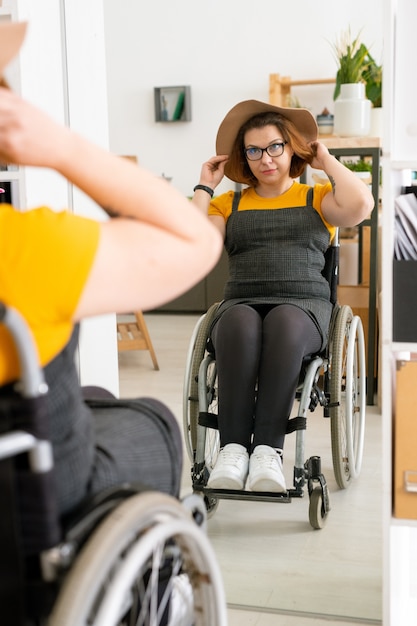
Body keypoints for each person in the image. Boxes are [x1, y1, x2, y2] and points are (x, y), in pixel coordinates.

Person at [0, 22, 223, 515]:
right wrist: (60, 146)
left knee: (97, 395)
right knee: (154, 422)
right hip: (30, 509)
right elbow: (194, 240)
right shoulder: (21, 247)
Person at [192, 99, 374, 493]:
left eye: (275, 146)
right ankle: (233, 450)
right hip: (242, 300)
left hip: (304, 306)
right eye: (253, 150)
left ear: (291, 149)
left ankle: (267, 453)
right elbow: (193, 242)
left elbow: (361, 204)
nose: (265, 159)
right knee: (238, 323)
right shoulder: (230, 203)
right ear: (245, 157)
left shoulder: (318, 197)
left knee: (284, 321)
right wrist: (205, 186)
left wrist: (325, 161)